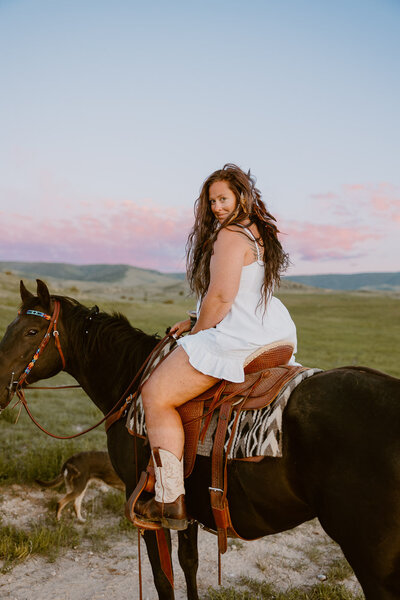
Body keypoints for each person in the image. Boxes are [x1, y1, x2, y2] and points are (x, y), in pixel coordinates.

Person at [135, 163, 298, 530]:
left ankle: (169, 500)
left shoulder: (229, 235)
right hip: (271, 330)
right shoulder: (255, 232)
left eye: (223, 198)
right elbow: (236, 292)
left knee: (156, 394)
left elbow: (222, 296)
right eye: (212, 202)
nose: (217, 208)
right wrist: (195, 319)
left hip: (240, 336)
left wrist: (197, 336)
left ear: (242, 195)